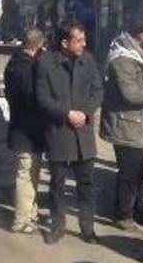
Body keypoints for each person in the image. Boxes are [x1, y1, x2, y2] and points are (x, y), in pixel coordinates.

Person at [36, 22, 102, 245]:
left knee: (87, 184)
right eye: (79, 40)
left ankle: (88, 228)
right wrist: (66, 113)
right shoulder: (46, 63)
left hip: (83, 133)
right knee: (58, 184)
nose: (84, 44)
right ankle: (57, 226)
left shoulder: (88, 60)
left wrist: (85, 113)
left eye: (84, 39)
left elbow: (97, 91)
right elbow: (42, 98)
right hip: (59, 132)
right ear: (65, 43)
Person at [100, 18, 143, 231]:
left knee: (137, 170)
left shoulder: (141, 52)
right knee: (130, 172)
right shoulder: (123, 58)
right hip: (124, 123)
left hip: (135, 122)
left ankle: (134, 209)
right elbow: (130, 94)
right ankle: (124, 215)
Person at [3, 28, 46, 234]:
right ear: (39, 45)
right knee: (26, 174)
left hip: (22, 128)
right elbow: (32, 99)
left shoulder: (15, 63)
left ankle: (30, 213)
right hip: (27, 130)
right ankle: (21, 220)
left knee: (31, 172)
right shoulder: (26, 69)